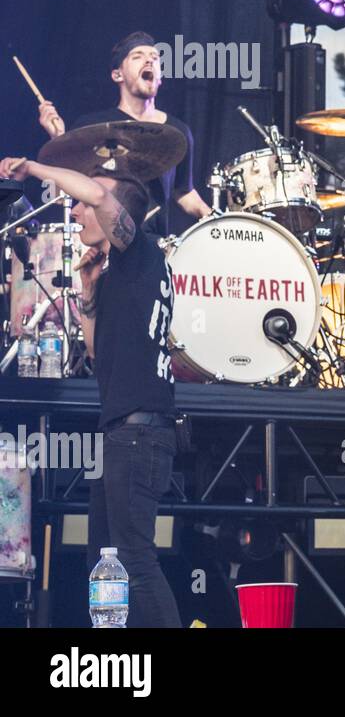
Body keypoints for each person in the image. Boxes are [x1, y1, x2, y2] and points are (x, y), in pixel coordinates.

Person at [0, 153, 181, 627]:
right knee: (107, 564)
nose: (75, 211)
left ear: (116, 211)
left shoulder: (141, 252)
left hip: (139, 434)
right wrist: (87, 290)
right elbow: (101, 359)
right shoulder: (121, 272)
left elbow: (98, 194)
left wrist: (34, 169)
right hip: (121, 431)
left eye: (81, 205)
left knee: (135, 561)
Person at [37, 31, 212, 236]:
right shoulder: (91, 127)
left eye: (155, 58)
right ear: (117, 74)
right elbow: (61, 194)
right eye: (138, 56)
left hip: (153, 244)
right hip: (103, 241)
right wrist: (58, 139)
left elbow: (184, 192)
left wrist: (215, 218)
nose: (149, 60)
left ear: (160, 78)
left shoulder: (177, 132)